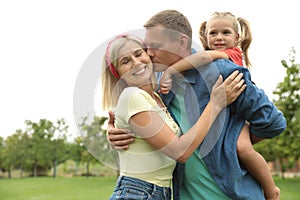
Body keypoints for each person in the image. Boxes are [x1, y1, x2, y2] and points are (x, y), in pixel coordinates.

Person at [107, 10, 286, 200]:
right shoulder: (160, 83)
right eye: (147, 47)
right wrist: (114, 130)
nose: (149, 53)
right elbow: (144, 117)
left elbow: (273, 122)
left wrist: (233, 142)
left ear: (181, 42)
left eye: (155, 46)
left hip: (231, 195)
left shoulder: (222, 72)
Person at [102, 34, 245, 200]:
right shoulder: (132, 96)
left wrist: (223, 54)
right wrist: (216, 103)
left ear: (148, 54)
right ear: (118, 73)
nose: (136, 63)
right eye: (125, 61)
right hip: (136, 192)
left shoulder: (158, 99)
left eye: (138, 54)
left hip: (156, 193)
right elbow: (180, 151)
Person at [158, 11, 280, 200]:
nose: (219, 38)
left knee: (242, 147)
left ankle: (271, 189)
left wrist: (230, 139)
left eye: (225, 33)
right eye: (213, 33)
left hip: (231, 190)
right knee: (241, 147)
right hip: (185, 191)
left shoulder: (222, 65)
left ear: (237, 37)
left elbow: (274, 122)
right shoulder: (159, 84)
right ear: (205, 37)